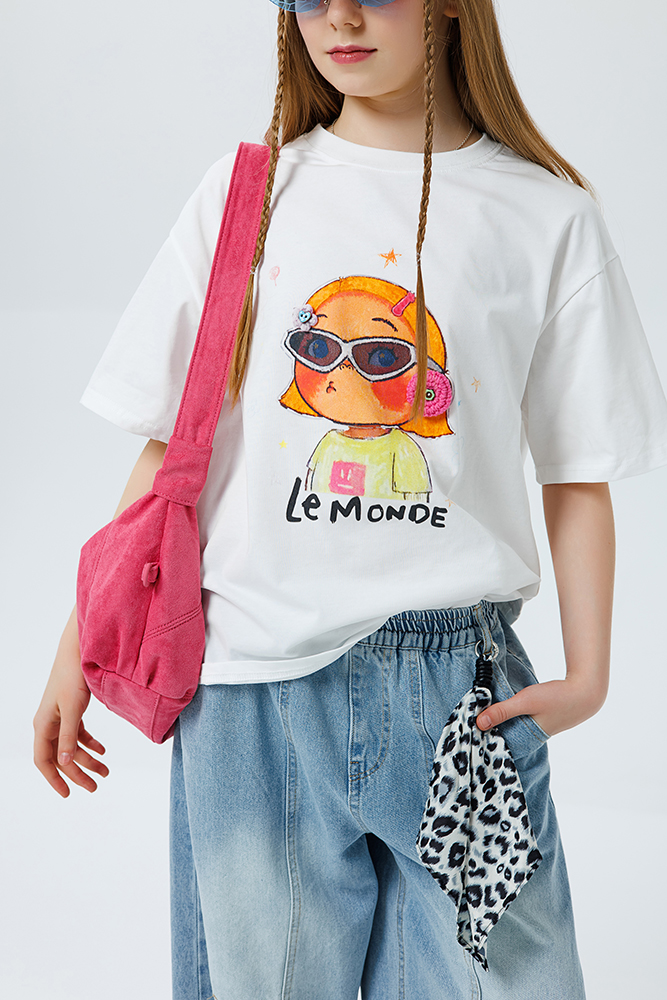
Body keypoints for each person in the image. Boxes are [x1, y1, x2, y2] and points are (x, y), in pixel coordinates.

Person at [33, 1, 667, 998]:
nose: (337, 15)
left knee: (512, 979)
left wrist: (589, 676)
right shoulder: (248, 194)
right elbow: (170, 444)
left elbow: (577, 469)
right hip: (250, 695)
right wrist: (80, 647)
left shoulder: (547, 216)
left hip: (459, 700)